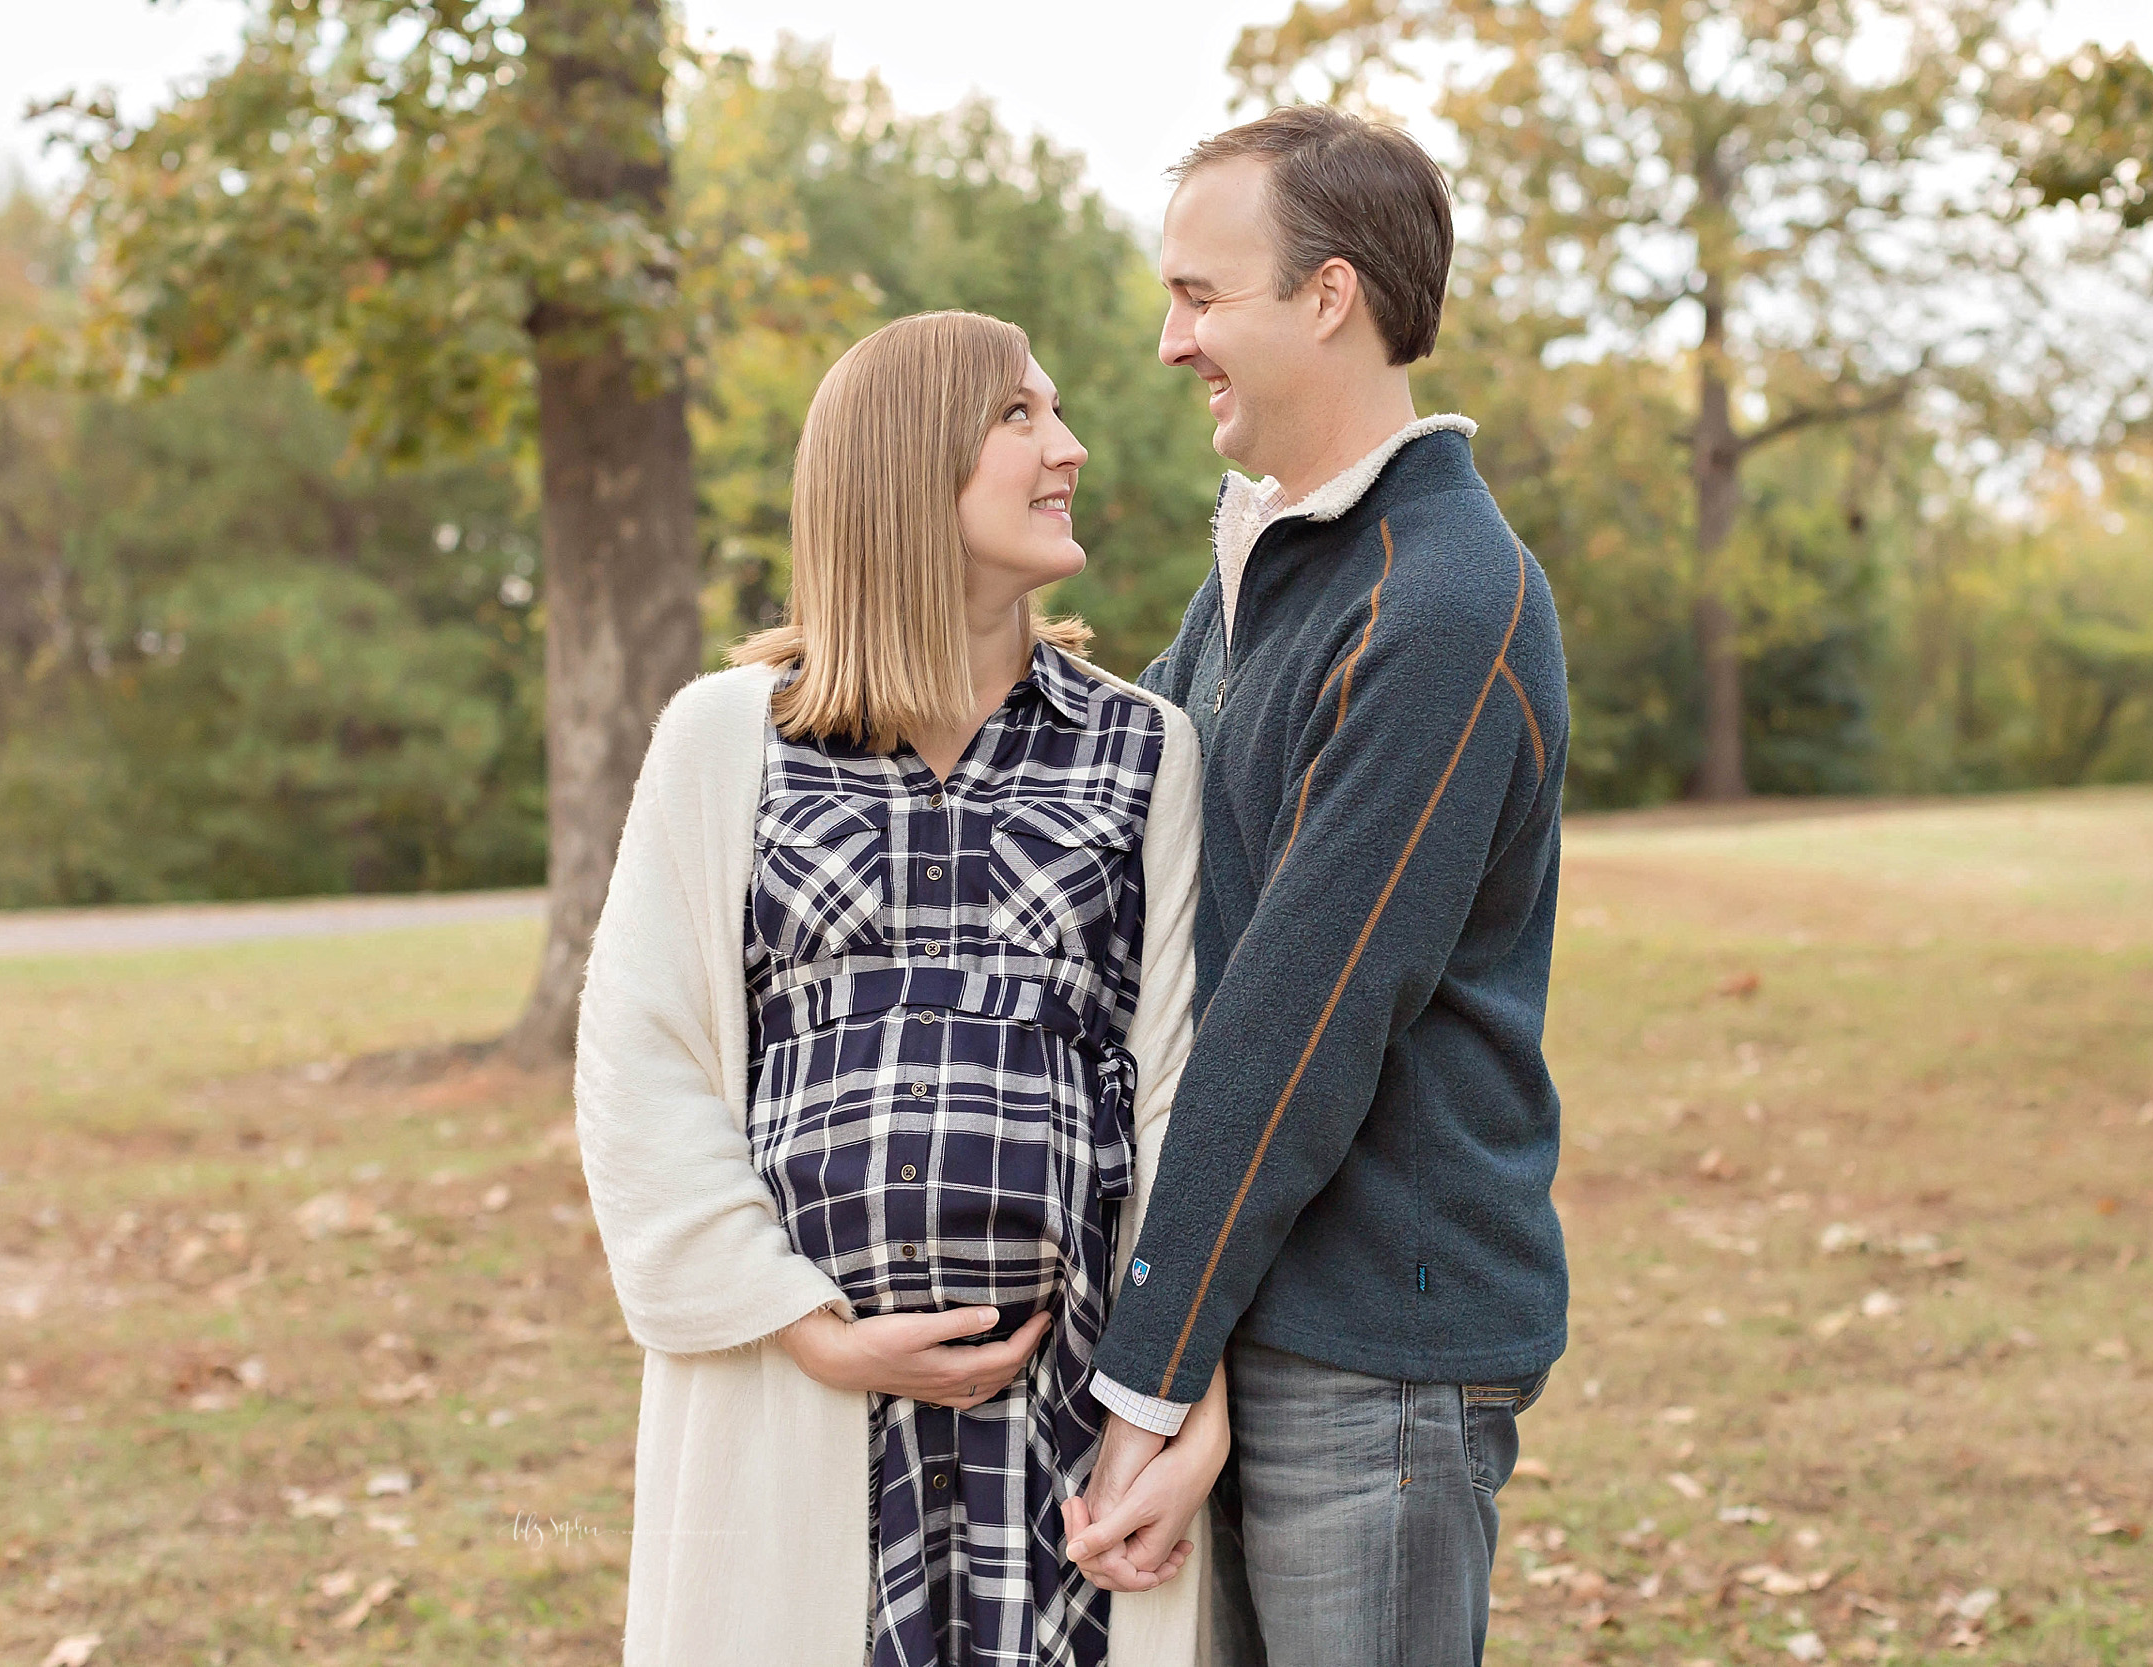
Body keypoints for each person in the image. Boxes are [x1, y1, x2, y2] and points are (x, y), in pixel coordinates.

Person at [573, 308, 1227, 1667]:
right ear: (905, 462)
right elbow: (644, 1069)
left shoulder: (1144, 750)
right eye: (1021, 418)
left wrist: (1175, 1392)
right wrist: (809, 1330)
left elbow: (1176, 1093)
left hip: (1071, 1414)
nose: (1072, 448)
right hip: (795, 1407)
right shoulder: (722, 739)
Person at [1063, 106, 1574, 1667]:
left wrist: (1150, 1366)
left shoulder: (1441, 598)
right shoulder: (1277, 566)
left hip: (1378, 1348)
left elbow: (1304, 1013)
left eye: (1202, 297)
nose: (1169, 342)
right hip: (1254, 1308)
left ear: (1330, 295)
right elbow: (1113, 798)